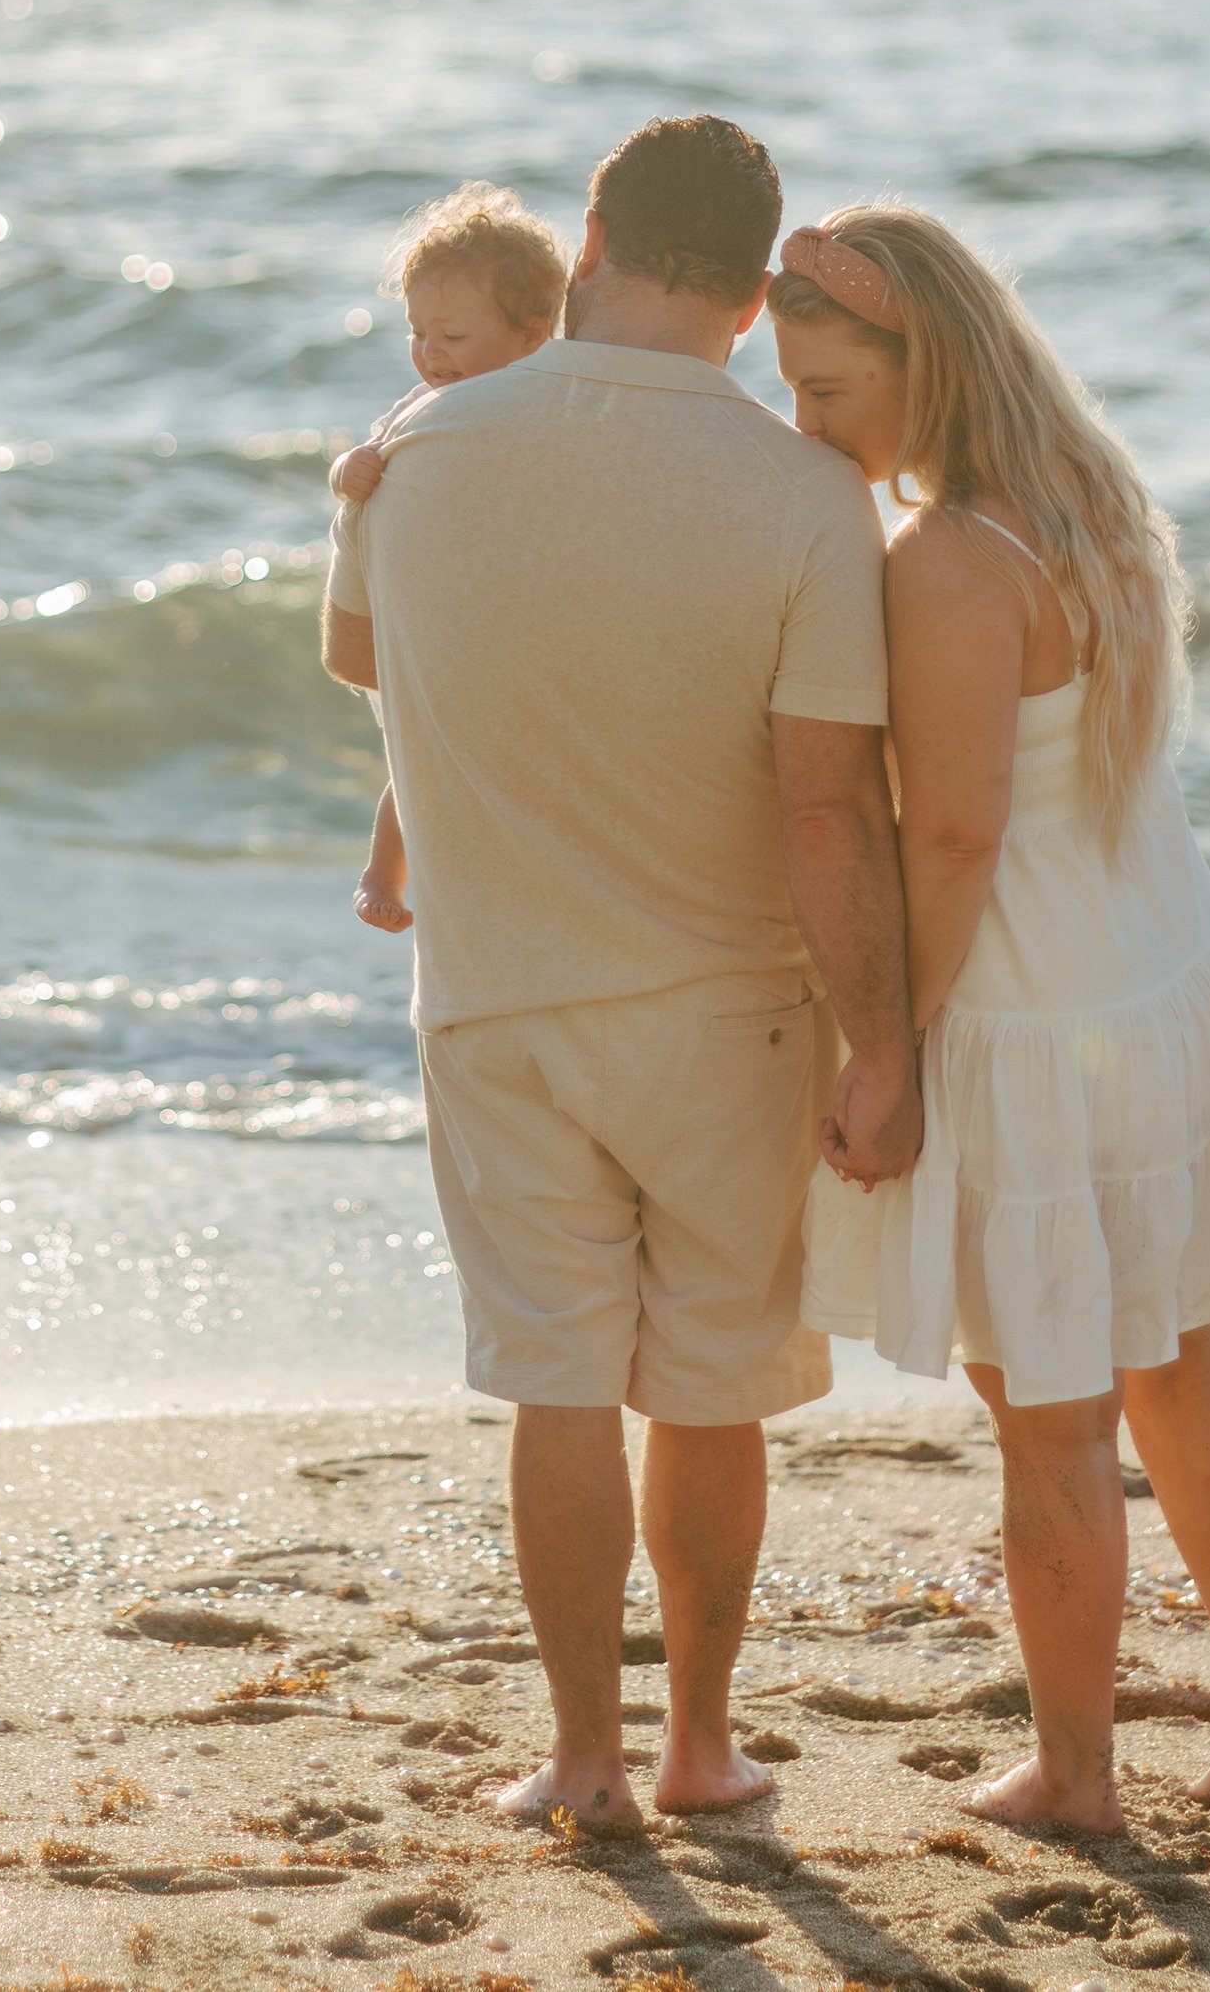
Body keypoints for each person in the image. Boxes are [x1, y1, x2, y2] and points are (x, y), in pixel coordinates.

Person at [321, 115, 918, 1834]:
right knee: (714, 1388)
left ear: (592, 231)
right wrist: (883, 1037)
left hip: (497, 996)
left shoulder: (416, 444)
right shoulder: (810, 494)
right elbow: (826, 799)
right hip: (735, 1010)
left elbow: (367, 660)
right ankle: (698, 1746)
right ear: (751, 292)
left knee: (560, 1382)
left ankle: (582, 1761)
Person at [770, 204, 1210, 1836]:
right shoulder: (1085, 493)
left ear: (916, 356)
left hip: (1038, 1019)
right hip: (1170, 978)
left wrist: (891, 1052)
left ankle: (1078, 1772)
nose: (810, 428)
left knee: (1052, 1420)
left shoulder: (947, 558)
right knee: (1184, 1370)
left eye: (824, 390)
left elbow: (949, 836)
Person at [328, 183, 568, 933]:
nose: (430, 354)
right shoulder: (416, 412)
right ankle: (380, 868)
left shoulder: (554, 401)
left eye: (453, 337)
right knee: (413, 752)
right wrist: (349, 478)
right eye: (416, 332)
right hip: (432, 631)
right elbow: (359, 463)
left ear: (532, 335)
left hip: (503, 619)